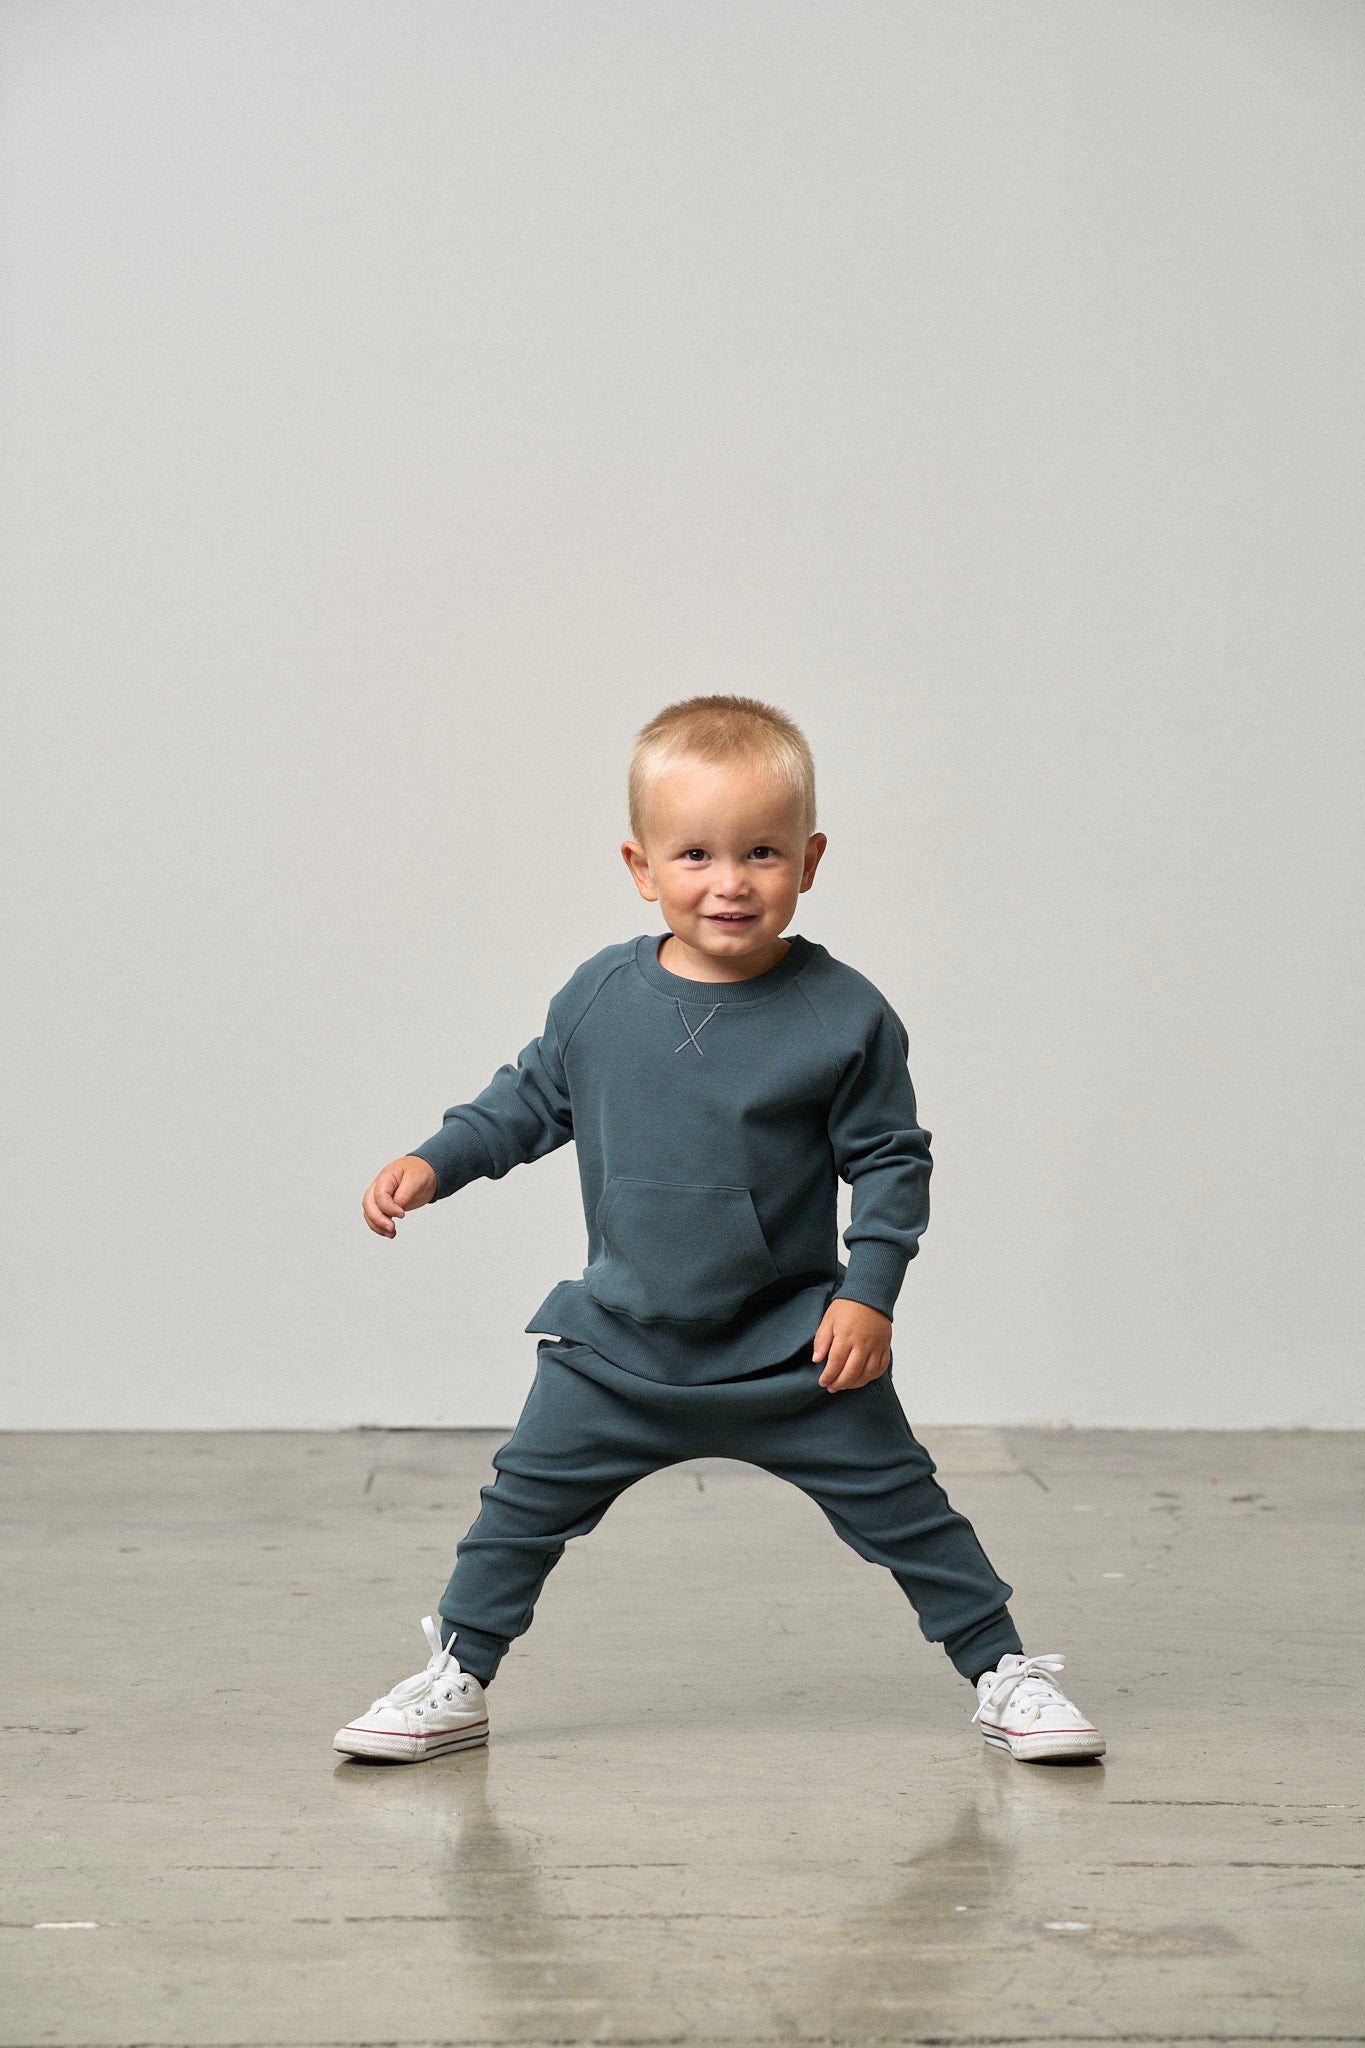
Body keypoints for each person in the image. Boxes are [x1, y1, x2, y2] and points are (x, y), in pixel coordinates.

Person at [334, 695, 1105, 1767]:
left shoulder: (843, 1014)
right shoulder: (600, 996)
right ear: (641, 867)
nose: (729, 881)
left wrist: (868, 1294)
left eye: (761, 852)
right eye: (694, 853)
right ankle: (455, 1675)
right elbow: (529, 1098)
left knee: (906, 1509)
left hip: (791, 1348)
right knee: (517, 1508)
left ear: (810, 860)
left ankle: (1003, 1671)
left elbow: (891, 1161)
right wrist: (435, 1161)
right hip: (619, 1346)